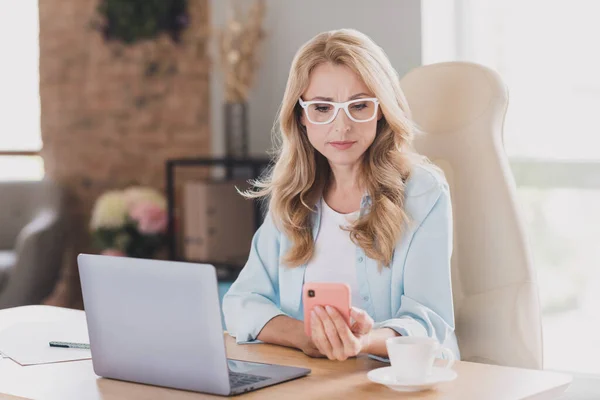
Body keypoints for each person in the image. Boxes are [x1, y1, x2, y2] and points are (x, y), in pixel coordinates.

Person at [223, 28, 459, 361]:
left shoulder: (423, 192)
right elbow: (241, 301)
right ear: (302, 116)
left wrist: (363, 341)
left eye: (359, 105)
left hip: (400, 379)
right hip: (315, 380)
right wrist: (305, 336)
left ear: (381, 110)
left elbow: (428, 322)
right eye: (322, 108)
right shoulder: (292, 194)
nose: (341, 126)